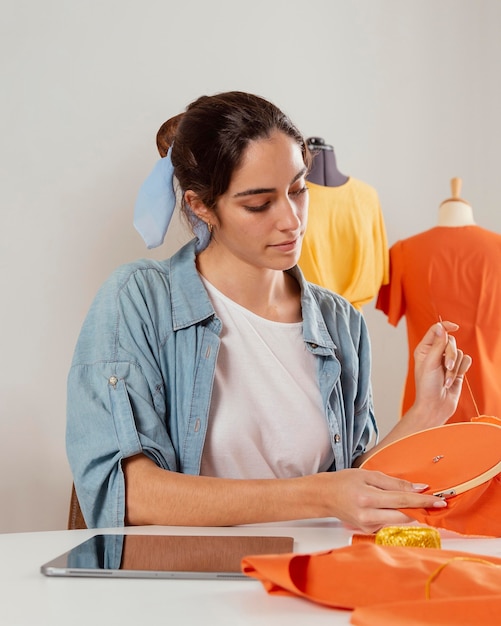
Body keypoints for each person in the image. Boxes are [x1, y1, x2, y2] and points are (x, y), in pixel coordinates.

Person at [66, 91, 471, 532]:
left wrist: (427, 412)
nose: (291, 220)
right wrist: (317, 494)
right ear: (201, 206)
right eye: (259, 204)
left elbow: (353, 483)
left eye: (298, 190)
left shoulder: (340, 322)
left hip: (318, 580)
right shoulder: (140, 300)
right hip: (194, 589)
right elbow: (127, 494)